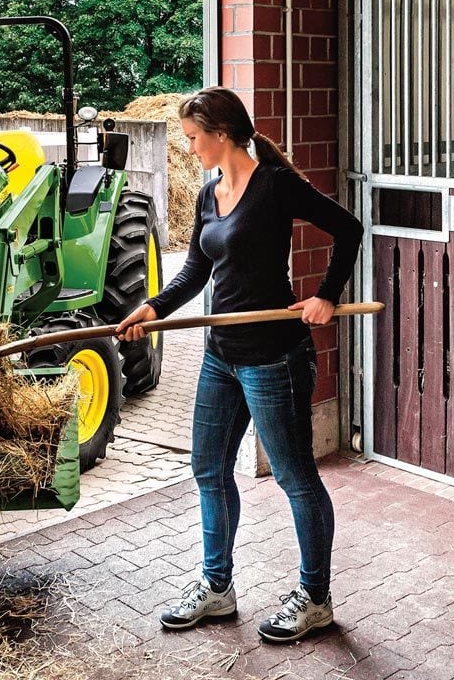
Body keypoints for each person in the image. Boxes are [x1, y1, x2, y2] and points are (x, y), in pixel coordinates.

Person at [116, 86, 363, 643]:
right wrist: (151, 308)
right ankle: (218, 587)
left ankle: (316, 597)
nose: (189, 149)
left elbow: (347, 229)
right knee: (208, 469)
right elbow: (195, 273)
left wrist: (325, 294)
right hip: (220, 358)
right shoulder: (209, 195)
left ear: (221, 134)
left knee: (296, 479)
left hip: (274, 358)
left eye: (193, 138)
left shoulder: (275, 186)